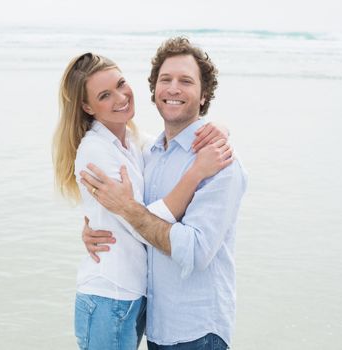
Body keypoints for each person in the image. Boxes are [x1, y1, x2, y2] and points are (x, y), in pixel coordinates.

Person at [52, 52, 233, 350]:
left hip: (133, 299)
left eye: (121, 84)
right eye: (105, 95)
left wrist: (220, 129)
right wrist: (196, 173)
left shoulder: (132, 142)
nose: (121, 97)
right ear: (87, 106)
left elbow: (172, 144)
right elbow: (140, 225)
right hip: (109, 296)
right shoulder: (96, 151)